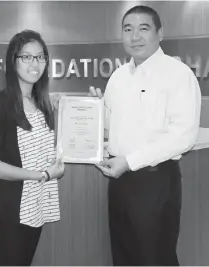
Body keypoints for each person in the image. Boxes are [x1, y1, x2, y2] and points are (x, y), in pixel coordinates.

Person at [90, 5, 201, 266]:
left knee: (154, 258)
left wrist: (129, 161)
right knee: (124, 256)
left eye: (144, 28)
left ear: (160, 33)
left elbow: (183, 136)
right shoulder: (118, 77)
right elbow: (110, 127)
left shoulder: (178, 74)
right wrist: (94, 112)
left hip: (155, 182)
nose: (135, 36)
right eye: (128, 29)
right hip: (118, 182)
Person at [0, 30, 65, 266]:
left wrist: (70, 112)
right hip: (10, 208)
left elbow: (49, 147)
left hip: (36, 204)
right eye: (26, 57)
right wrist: (42, 176)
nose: (35, 63)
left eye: (40, 57)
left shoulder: (42, 103)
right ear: (13, 61)